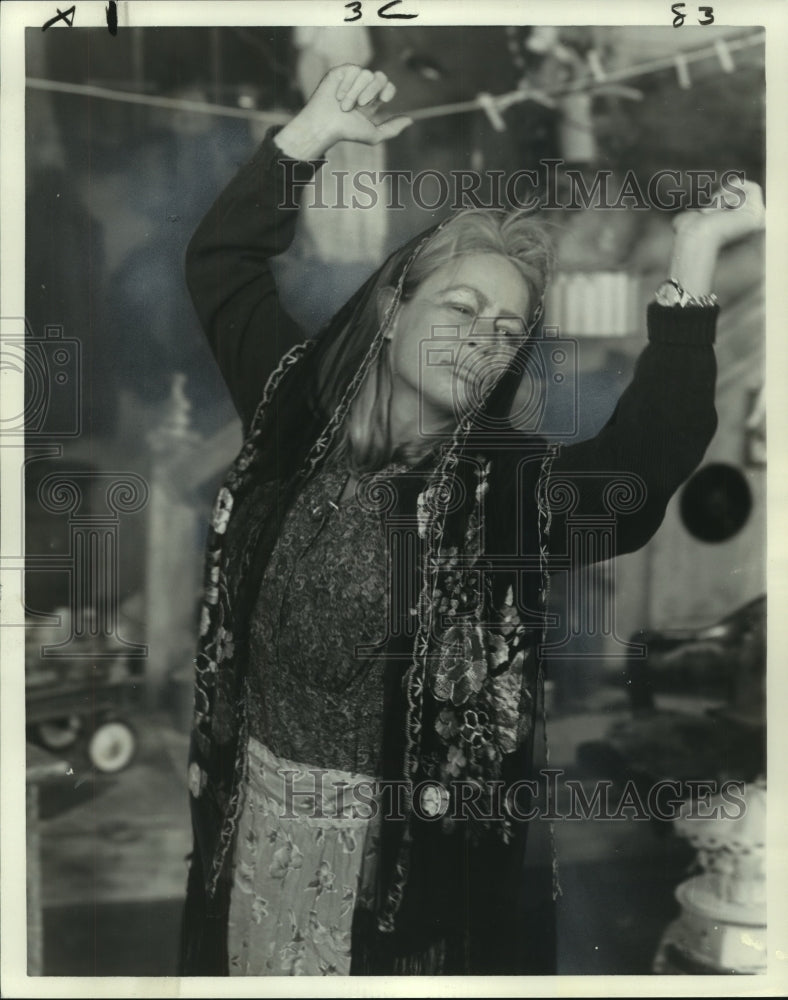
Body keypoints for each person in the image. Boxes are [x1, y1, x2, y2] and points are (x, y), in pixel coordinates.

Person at [177, 65, 765, 976]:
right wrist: (309, 135)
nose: (484, 340)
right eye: (461, 307)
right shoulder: (290, 410)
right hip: (243, 840)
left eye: (507, 331)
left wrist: (694, 257)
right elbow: (221, 265)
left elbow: (642, 469)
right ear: (392, 303)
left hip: (406, 893)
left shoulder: (499, 494)